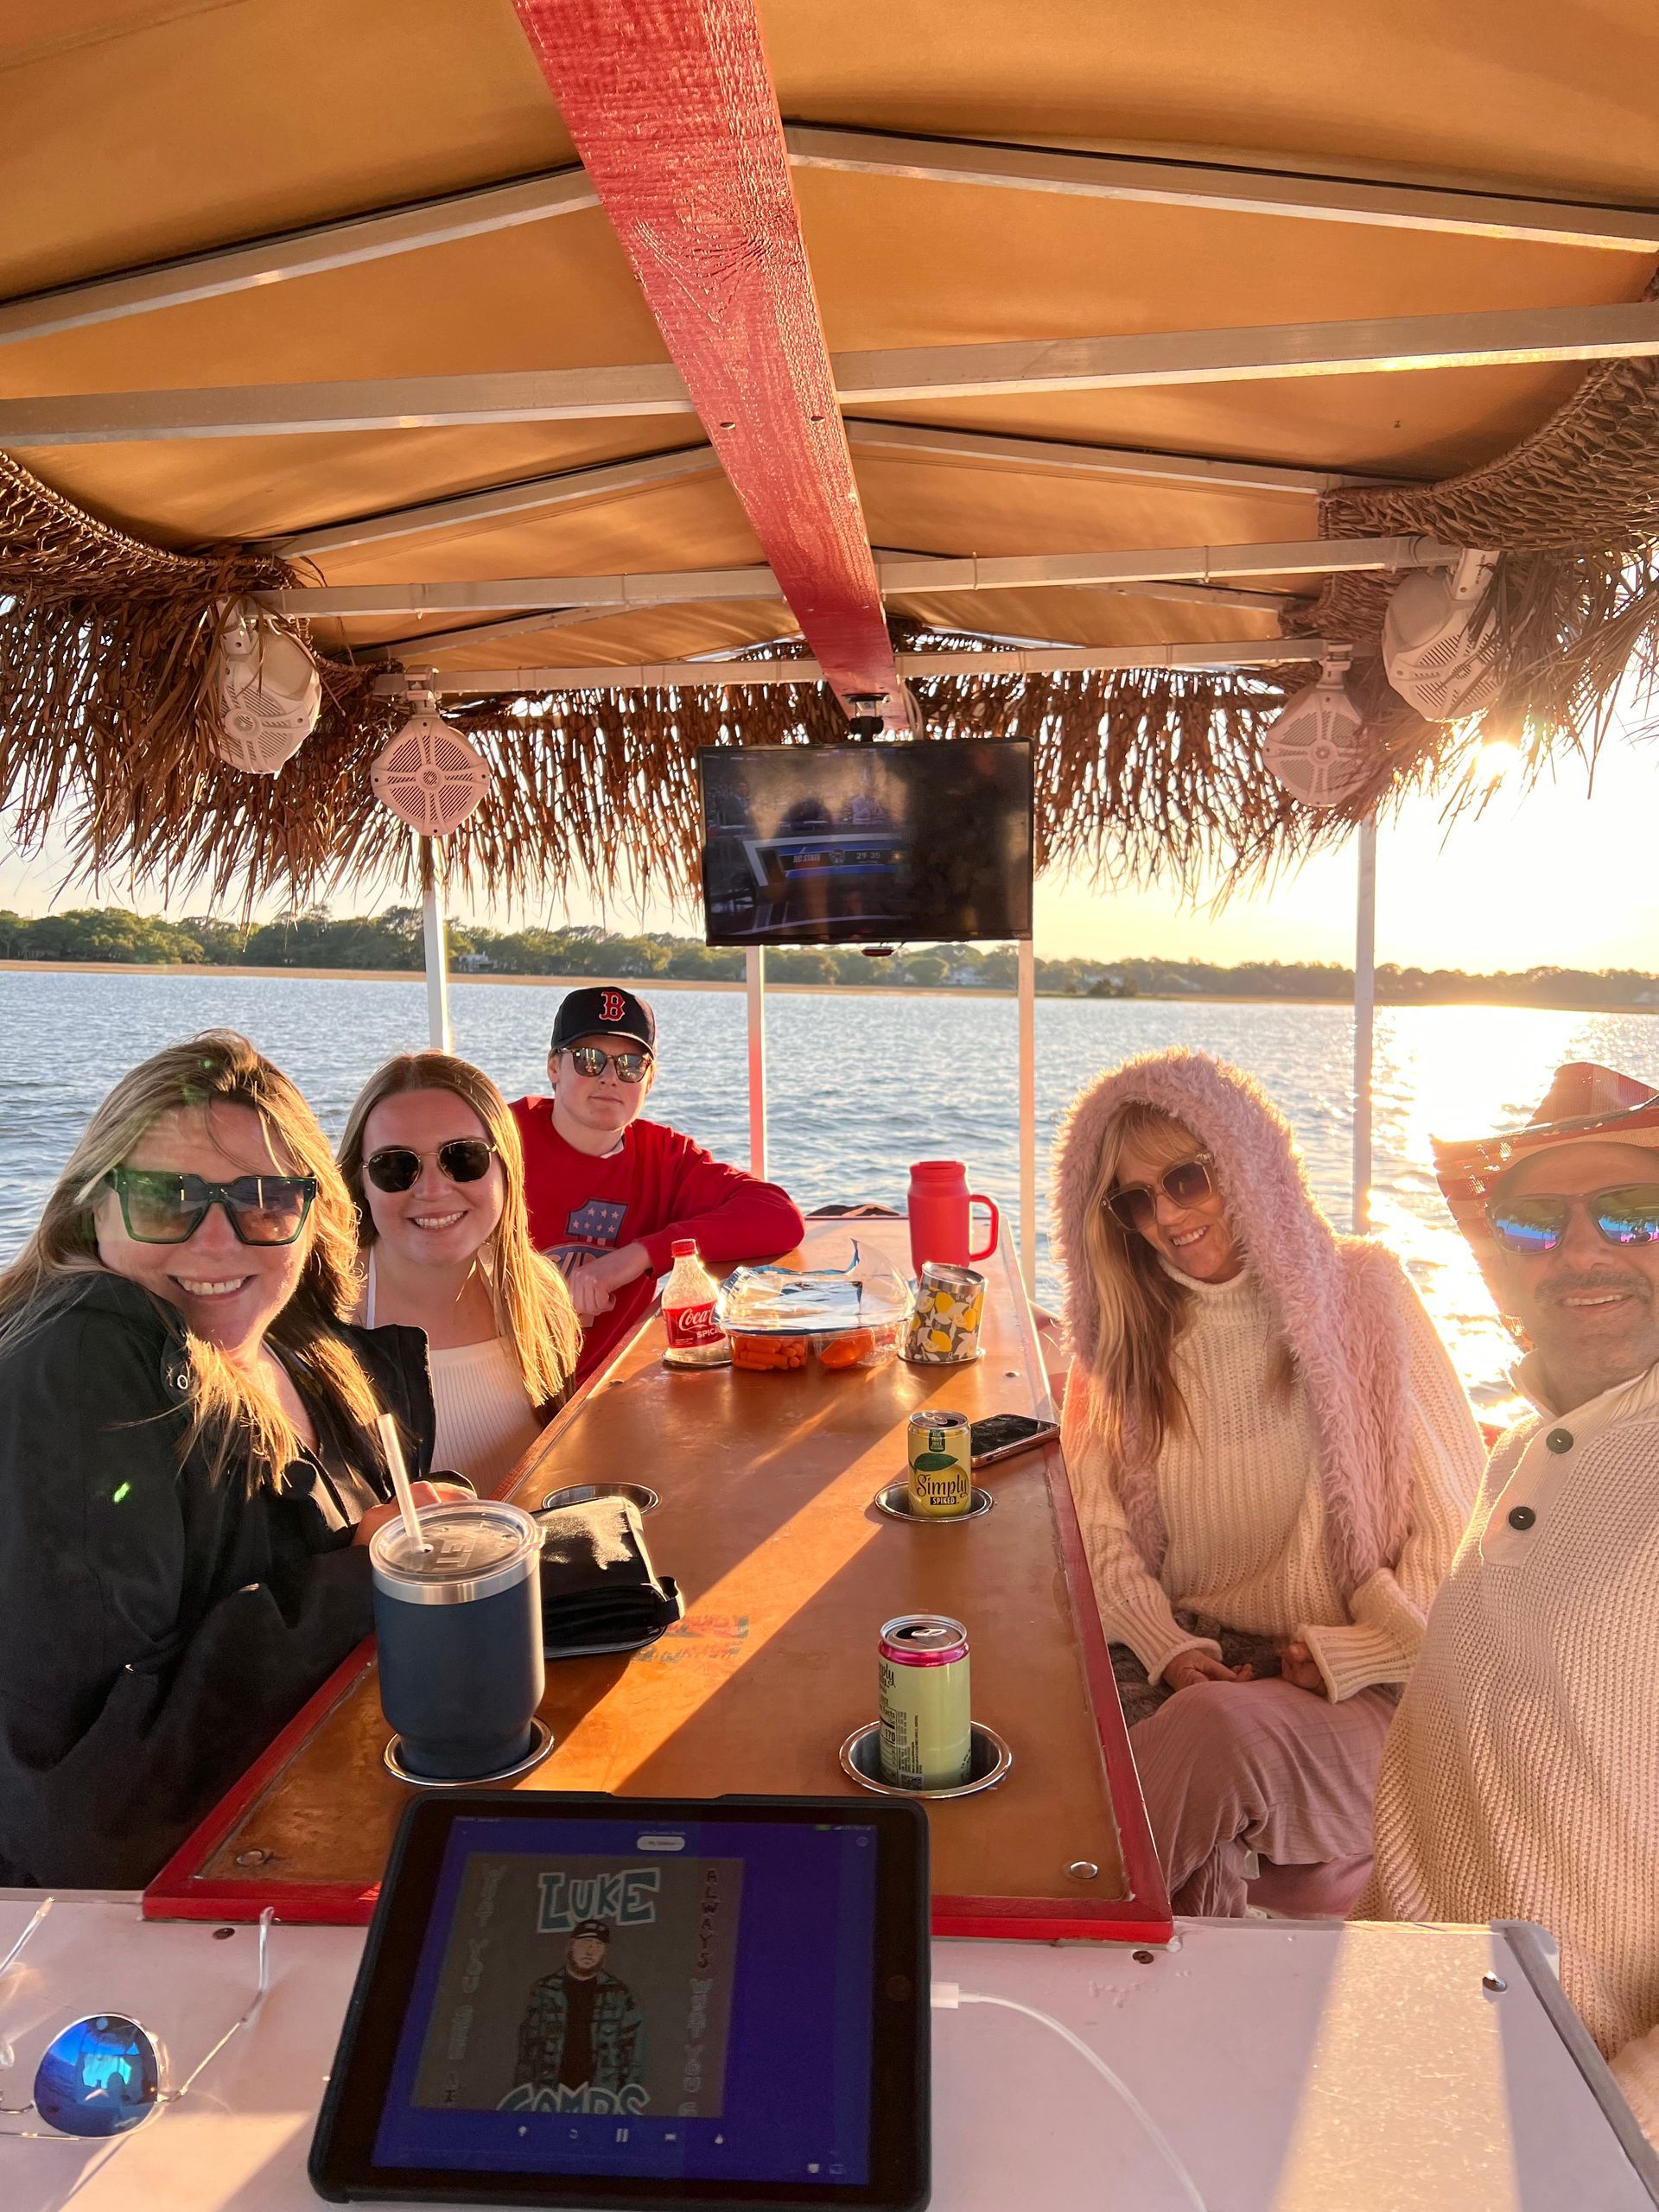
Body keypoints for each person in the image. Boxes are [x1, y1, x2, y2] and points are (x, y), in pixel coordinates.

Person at [0, 1032, 448, 1889]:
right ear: (92, 1205)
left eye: (266, 1199)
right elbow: (91, 1804)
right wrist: (368, 1581)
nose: (218, 1243)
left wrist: (406, 1528)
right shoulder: (81, 1375)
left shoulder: (297, 1341)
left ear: (313, 1210)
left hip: (332, 1829)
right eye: (167, 1199)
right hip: (164, 1944)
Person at [1053, 1048, 1484, 1917]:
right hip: (1182, 1662)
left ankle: (1053, 1938)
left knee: (1218, 1739)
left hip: (1362, 1682)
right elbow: (1097, 1533)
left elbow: (1460, 1527)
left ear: (1245, 1161)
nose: (1167, 1216)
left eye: (1187, 1178)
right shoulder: (1126, 1339)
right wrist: (1172, 1651)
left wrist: (1348, 1652)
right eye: (1135, 1199)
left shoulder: (1367, 1297)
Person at [1363, 1063, 1659, 2139]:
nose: (1583, 1251)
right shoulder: (1524, 1451)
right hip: (1410, 2040)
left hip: (1577, 2121)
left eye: (1634, 1212)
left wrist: (1618, 2123)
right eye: (1539, 1223)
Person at [512, 986, 806, 1380]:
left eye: (630, 1064)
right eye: (588, 1060)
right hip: (502, 1382)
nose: (609, 1078)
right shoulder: (497, 1139)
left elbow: (779, 1217)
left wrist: (638, 1256)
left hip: (600, 1387)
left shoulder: (664, 1157)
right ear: (553, 1067)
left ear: (648, 1081)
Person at [338, 1052, 581, 1495]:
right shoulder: (327, 1317)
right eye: (396, 1166)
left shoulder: (538, 1293)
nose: (432, 1190)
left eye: (463, 1158)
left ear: (505, 1169)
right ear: (361, 1184)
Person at [512, 1918, 646, 2103]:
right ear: (571, 1946)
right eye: (584, 1943)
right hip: (548, 2094)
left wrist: (626, 2097)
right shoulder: (545, 1990)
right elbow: (527, 2049)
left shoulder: (620, 1994)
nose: (590, 1951)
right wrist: (524, 2095)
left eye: (598, 1945)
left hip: (601, 2097)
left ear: (604, 1952)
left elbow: (634, 2055)